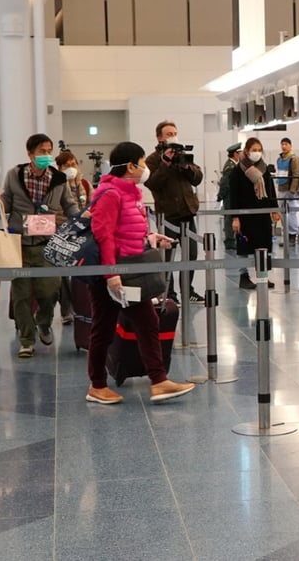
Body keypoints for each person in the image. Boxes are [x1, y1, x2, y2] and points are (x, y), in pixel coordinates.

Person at [84, 141, 195, 405]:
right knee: (104, 327)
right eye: (142, 162)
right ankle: (98, 385)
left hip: (131, 271)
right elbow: (104, 235)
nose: (145, 167)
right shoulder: (110, 193)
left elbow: (129, 227)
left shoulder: (131, 192)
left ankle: (159, 380)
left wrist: (150, 236)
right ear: (131, 165)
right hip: (113, 273)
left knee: (146, 321)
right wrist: (112, 275)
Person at [0, 133, 79, 358]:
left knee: (50, 289)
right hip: (18, 242)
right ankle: (26, 339)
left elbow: (69, 204)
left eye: (49, 151)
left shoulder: (58, 178)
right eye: (42, 151)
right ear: (30, 153)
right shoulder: (15, 174)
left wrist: (82, 223)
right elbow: (7, 201)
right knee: (20, 294)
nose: (46, 155)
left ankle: (44, 322)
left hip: (46, 242)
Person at [145, 120, 206, 304]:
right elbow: (152, 183)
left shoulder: (183, 155)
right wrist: (165, 164)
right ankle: (169, 294)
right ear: (159, 137)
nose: (172, 136)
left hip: (188, 212)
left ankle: (188, 290)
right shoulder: (152, 160)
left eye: (174, 133)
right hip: (167, 216)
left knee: (191, 255)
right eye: (169, 134)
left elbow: (197, 178)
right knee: (168, 256)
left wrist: (185, 166)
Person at [229, 138, 279, 290]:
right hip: (245, 215)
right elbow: (233, 195)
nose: (257, 153)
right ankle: (243, 277)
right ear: (246, 151)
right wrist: (235, 217)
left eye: (259, 149)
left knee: (263, 245)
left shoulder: (264, 169)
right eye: (254, 150)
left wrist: (274, 209)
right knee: (244, 245)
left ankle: (262, 276)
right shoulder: (237, 171)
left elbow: (270, 190)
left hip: (262, 214)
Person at [54, 150, 92, 325]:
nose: (71, 168)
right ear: (60, 168)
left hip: (82, 232)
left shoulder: (84, 183)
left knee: (80, 272)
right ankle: (66, 310)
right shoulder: (56, 185)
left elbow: (92, 203)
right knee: (63, 274)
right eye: (66, 165)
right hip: (61, 229)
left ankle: (82, 308)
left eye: (73, 164)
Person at [274, 137, 299, 243]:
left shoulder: (294, 159)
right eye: (282, 144)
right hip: (281, 188)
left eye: (286, 144)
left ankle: (292, 234)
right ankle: (285, 232)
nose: (284, 146)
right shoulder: (279, 159)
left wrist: (293, 190)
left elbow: (296, 174)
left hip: (290, 190)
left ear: (290, 145)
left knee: (292, 212)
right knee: (282, 212)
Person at [217, 143, 242, 251]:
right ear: (235, 154)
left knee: (231, 217)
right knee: (229, 218)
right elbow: (225, 183)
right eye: (240, 153)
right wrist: (221, 195)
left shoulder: (233, 165)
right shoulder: (230, 167)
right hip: (229, 195)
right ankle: (230, 241)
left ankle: (232, 240)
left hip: (233, 195)